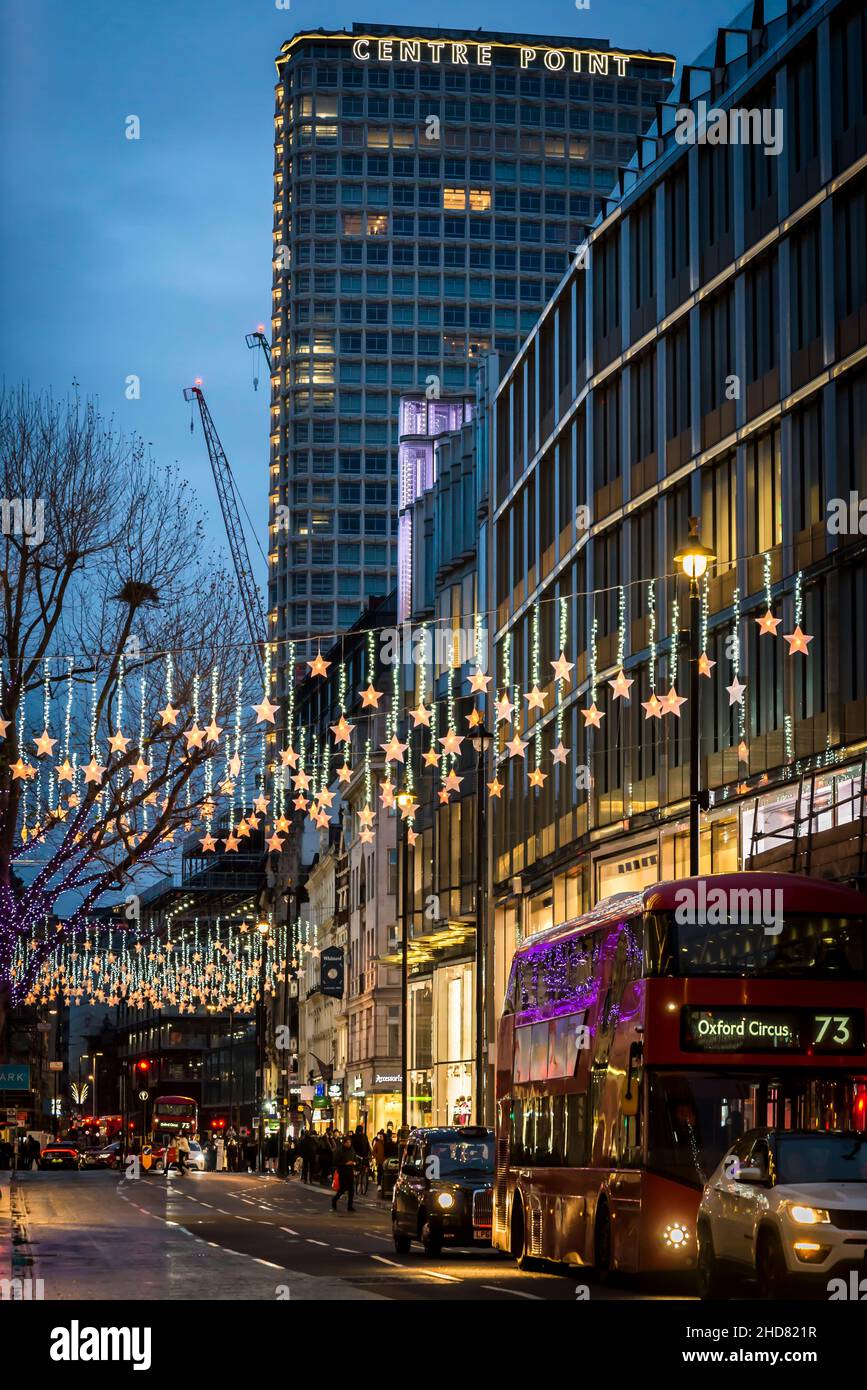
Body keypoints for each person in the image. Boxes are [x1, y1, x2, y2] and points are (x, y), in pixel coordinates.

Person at [331, 1136, 357, 1212]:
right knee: (342, 1189)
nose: (349, 1144)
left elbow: (355, 1158)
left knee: (351, 1190)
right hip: (342, 1171)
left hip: (350, 1171)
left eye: (350, 1142)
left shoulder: (352, 1150)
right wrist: (345, 1163)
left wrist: (354, 1163)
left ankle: (350, 1206)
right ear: (344, 1143)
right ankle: (334, 1200)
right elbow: (335, 1162)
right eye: (347, 1142)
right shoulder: (340, 1150)